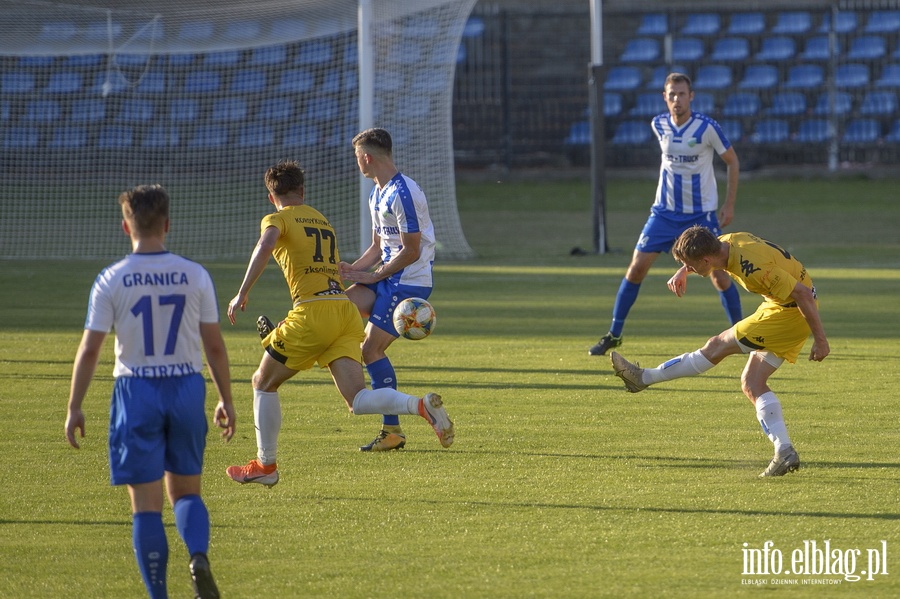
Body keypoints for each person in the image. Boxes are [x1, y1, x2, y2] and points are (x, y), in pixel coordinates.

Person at [225, 160, 453, 486]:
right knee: (358, 399)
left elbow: (265, 244)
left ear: (269, 195)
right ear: (302, 191)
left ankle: (266, 466)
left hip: (314, 312)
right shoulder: (321, 219)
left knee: (263, 382)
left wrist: (242, 292)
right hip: (343, 312)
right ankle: (419, 406)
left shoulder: (276, 218)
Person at [65, 184, 236, 599]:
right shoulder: (195, 274)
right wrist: (226, 399)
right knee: (186, 493)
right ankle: (197, 555)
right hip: (185, 386)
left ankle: (158, 594)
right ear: (168, 224)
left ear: (126, 226)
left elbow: (90, 350)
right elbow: (214, 345)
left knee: (145, 505)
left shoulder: (112, 278)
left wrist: (74, 406)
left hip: (136, 390)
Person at [610, 225, 830, 477]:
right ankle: (784, 451)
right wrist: (683, 270)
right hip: (779, 306)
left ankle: (643, 378)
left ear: (705, 259)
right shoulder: (725, 241)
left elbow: (802, 294)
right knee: (752, 383)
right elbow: (705, 257)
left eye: (691, 265)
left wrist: (821, 340)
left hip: (791, 312)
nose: (690, 268)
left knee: (716, 346)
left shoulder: (754, 268)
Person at [589, 72, 743, 356]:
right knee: (636, 269)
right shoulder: (658, 124)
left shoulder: (707, 127)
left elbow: (732, 162)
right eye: (671, 94)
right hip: (663, 213)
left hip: (700, 215)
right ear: (665, 97)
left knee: (720, 276)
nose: (677, 99)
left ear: (691, 96)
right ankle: (614, 333)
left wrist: (729, 204)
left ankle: (743, 336)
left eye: (682, 94)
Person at [340, 128, 438, 452]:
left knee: (371, 350)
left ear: (367, 157)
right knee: (338, 307)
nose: (358, 164)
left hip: (410, 280)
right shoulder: (376, 194)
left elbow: (410, 250)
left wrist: (373, 276)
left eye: (357, 158)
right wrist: (353, 270)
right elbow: (377, 247)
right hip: (388, 277)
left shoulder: (403, 192)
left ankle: (392, 430)